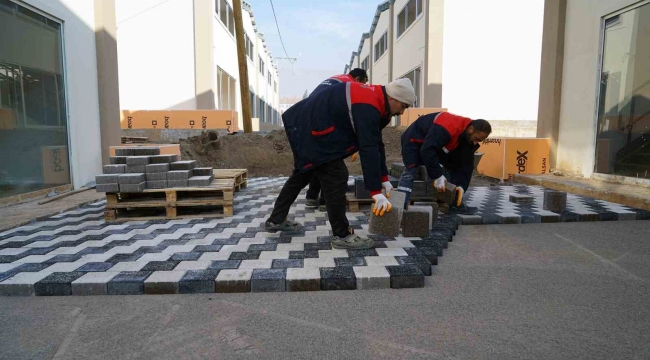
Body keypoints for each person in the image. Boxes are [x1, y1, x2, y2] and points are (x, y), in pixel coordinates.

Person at [265, 78, 416, 250]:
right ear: (394, 98)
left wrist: (383, 178)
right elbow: (368, 147)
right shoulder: (369, 104)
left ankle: (275, 220)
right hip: (311, 128)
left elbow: (376, 143)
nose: (402, 112)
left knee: (303, 173)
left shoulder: (378, 102)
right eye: (403, 106)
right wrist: (375, 191)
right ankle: (342, 235)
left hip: (311, 126)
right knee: (336, 176)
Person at [395, 112, 492, 209]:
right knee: (411, 170)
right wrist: (437, 176)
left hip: (434, 143)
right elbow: (427, 150)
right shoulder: (448, 125)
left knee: (453, 165)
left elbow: (466, 165)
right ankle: (400, 206)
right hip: (414, 141)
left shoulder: (466, 137)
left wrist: (462, 186)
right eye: (477, 138)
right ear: (471, 129)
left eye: (479, 141)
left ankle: (453, 203)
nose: (475, 142)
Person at [305, 68, 369, 209]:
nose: (363, 86)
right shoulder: (350, 84)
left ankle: (311, 196)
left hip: (308, 120)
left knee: (320, 161)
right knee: (332, 164)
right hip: (323, 124)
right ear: (358, 79)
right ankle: (325, 201)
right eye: (364, 83)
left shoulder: (337, 78)